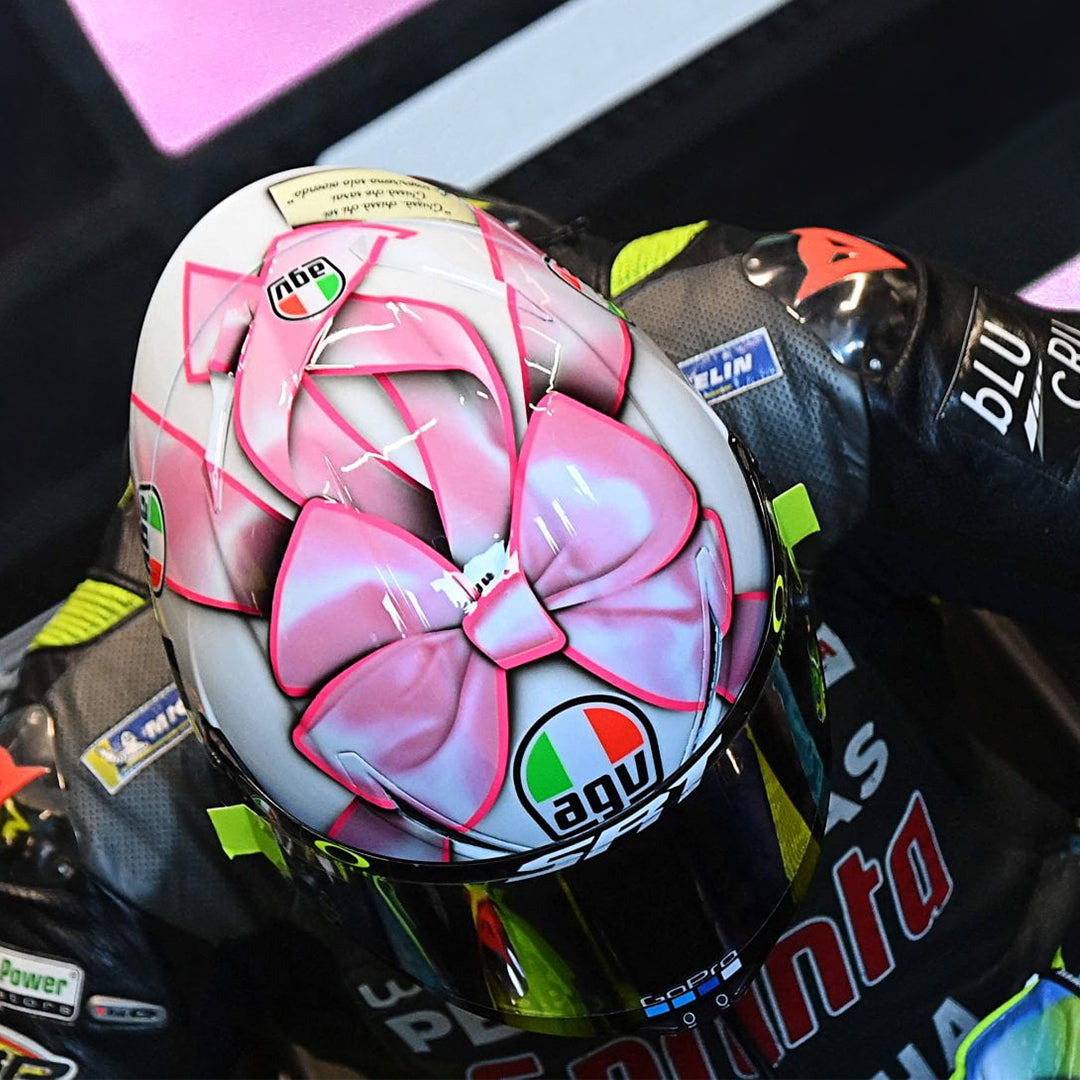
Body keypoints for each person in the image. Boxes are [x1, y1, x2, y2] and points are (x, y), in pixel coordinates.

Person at [1, 166, 1079, 1080]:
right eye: (532, 902)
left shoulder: (805, 347)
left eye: (722, 783)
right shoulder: (87, 809)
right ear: (255, 796)